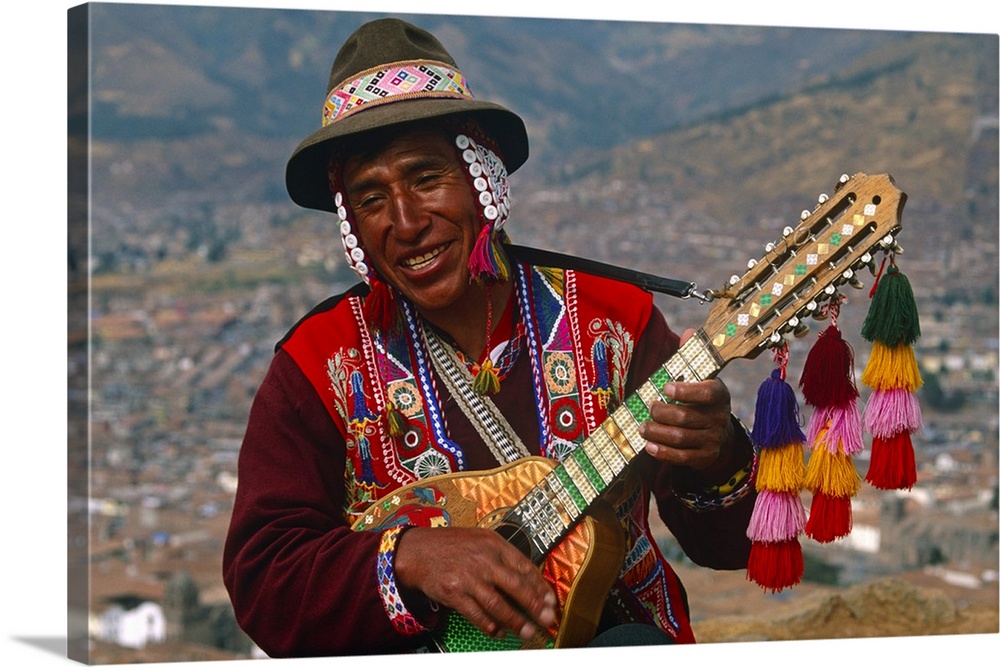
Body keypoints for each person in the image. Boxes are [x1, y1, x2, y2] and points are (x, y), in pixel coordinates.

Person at [223, 17, 757, 658]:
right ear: (353, 228)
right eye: (370, 199)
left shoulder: (616, 323)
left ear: (481, 180)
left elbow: (730, 547)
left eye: (426, 179)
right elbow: (264, 582)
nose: (407, 222)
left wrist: (718, 453)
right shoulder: (318, 364)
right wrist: (412, 560)